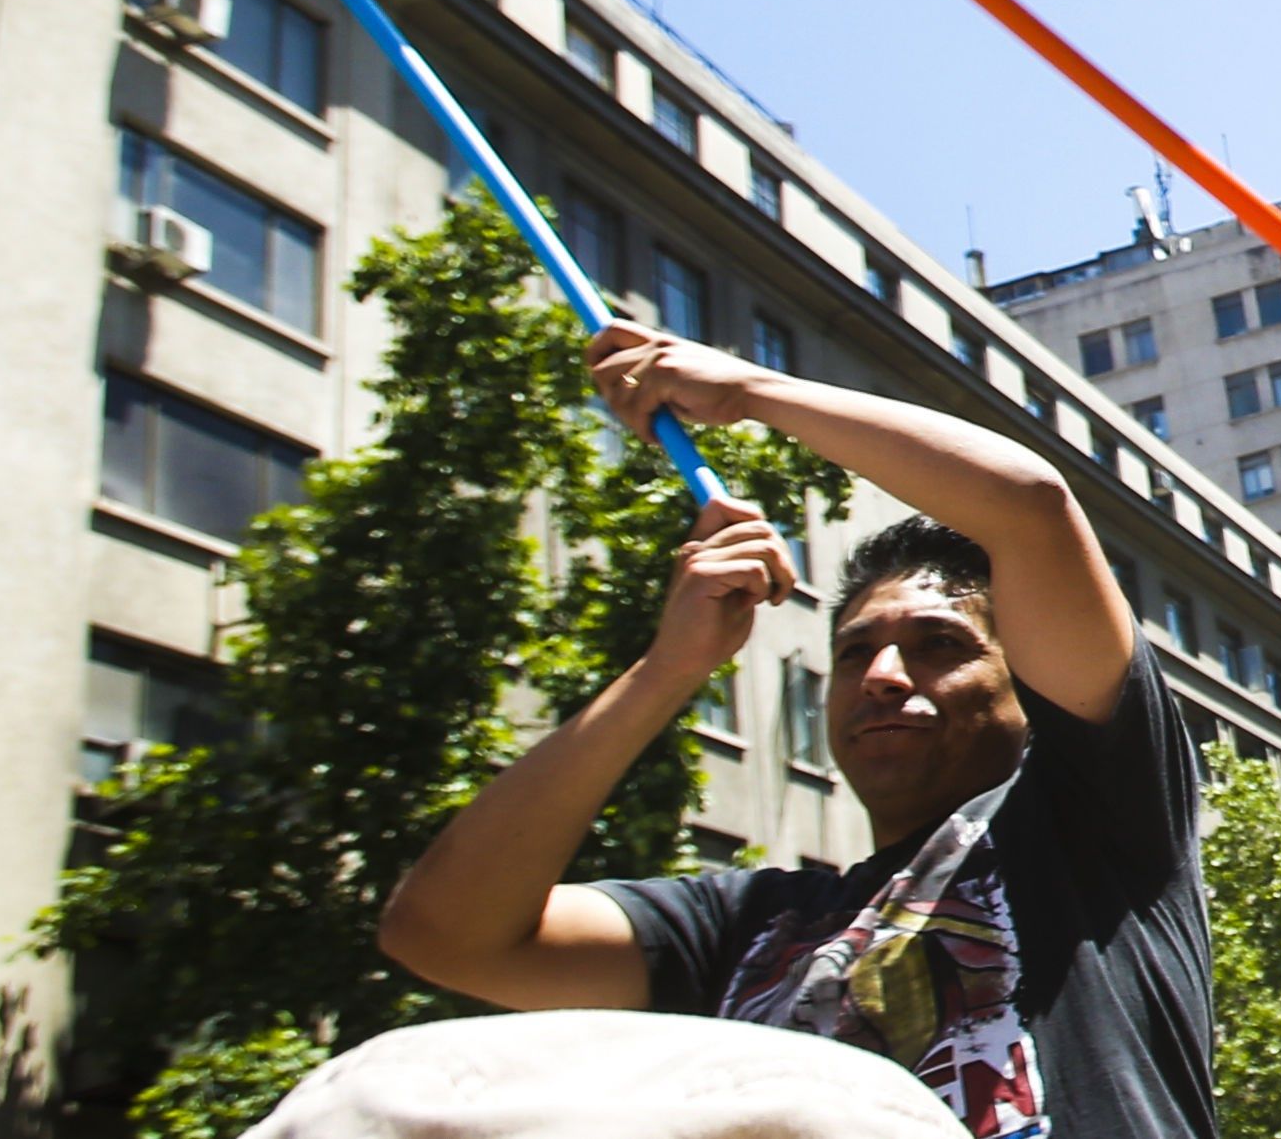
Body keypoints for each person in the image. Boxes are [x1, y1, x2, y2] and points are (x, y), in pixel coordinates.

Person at [380, 323, 1207, 1139]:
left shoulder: (1098, 821)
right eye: (854, 654)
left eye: (938, 645)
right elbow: (446, 934)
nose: (882, 676)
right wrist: (666, 669)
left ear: (1025, 681)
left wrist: (748, 390)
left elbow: (1026, 505)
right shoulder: (741, 927)